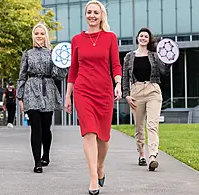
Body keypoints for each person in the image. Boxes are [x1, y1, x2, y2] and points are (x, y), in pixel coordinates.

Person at [64, 1, 122, 194]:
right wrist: (68, 96)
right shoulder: (77, 40)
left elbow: (115, 65)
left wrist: (118, 84)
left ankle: (100, 166)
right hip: (83, 91)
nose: (92, 15)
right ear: (85, 15)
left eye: (95, 12)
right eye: (89, 12)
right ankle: (93, 178)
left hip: (104, 90)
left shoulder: (110, 38)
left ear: (101, 15)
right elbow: (73, 70)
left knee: (104, 137)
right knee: (89, 132)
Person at [16, 22, 68, 174]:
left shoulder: (53, 53)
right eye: (37, 33)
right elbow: (22, 76)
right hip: (31, 89)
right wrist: (20, 96)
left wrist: (63, 64)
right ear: (33, 35)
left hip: (48, 89)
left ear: (46, 36)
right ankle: (37, 162)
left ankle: (46, 154)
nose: (39, 36)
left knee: (46, 128)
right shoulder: (27, 53)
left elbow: (59, 75)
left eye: (42, 33)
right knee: (35, 128)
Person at [122, 27, 171, 171]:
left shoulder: (155, 55)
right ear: (137, 38)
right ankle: (142, 154)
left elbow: (164, 71)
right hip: (136, 92)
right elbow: (125, 77)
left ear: (149, 40)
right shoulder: (129, 57)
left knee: (152, 124)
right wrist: (126, 95)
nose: (143, 38)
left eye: (146, 36)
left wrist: (168, 61)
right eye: (141, 36)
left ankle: (153, 157)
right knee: (139, 127)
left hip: (153, 90)